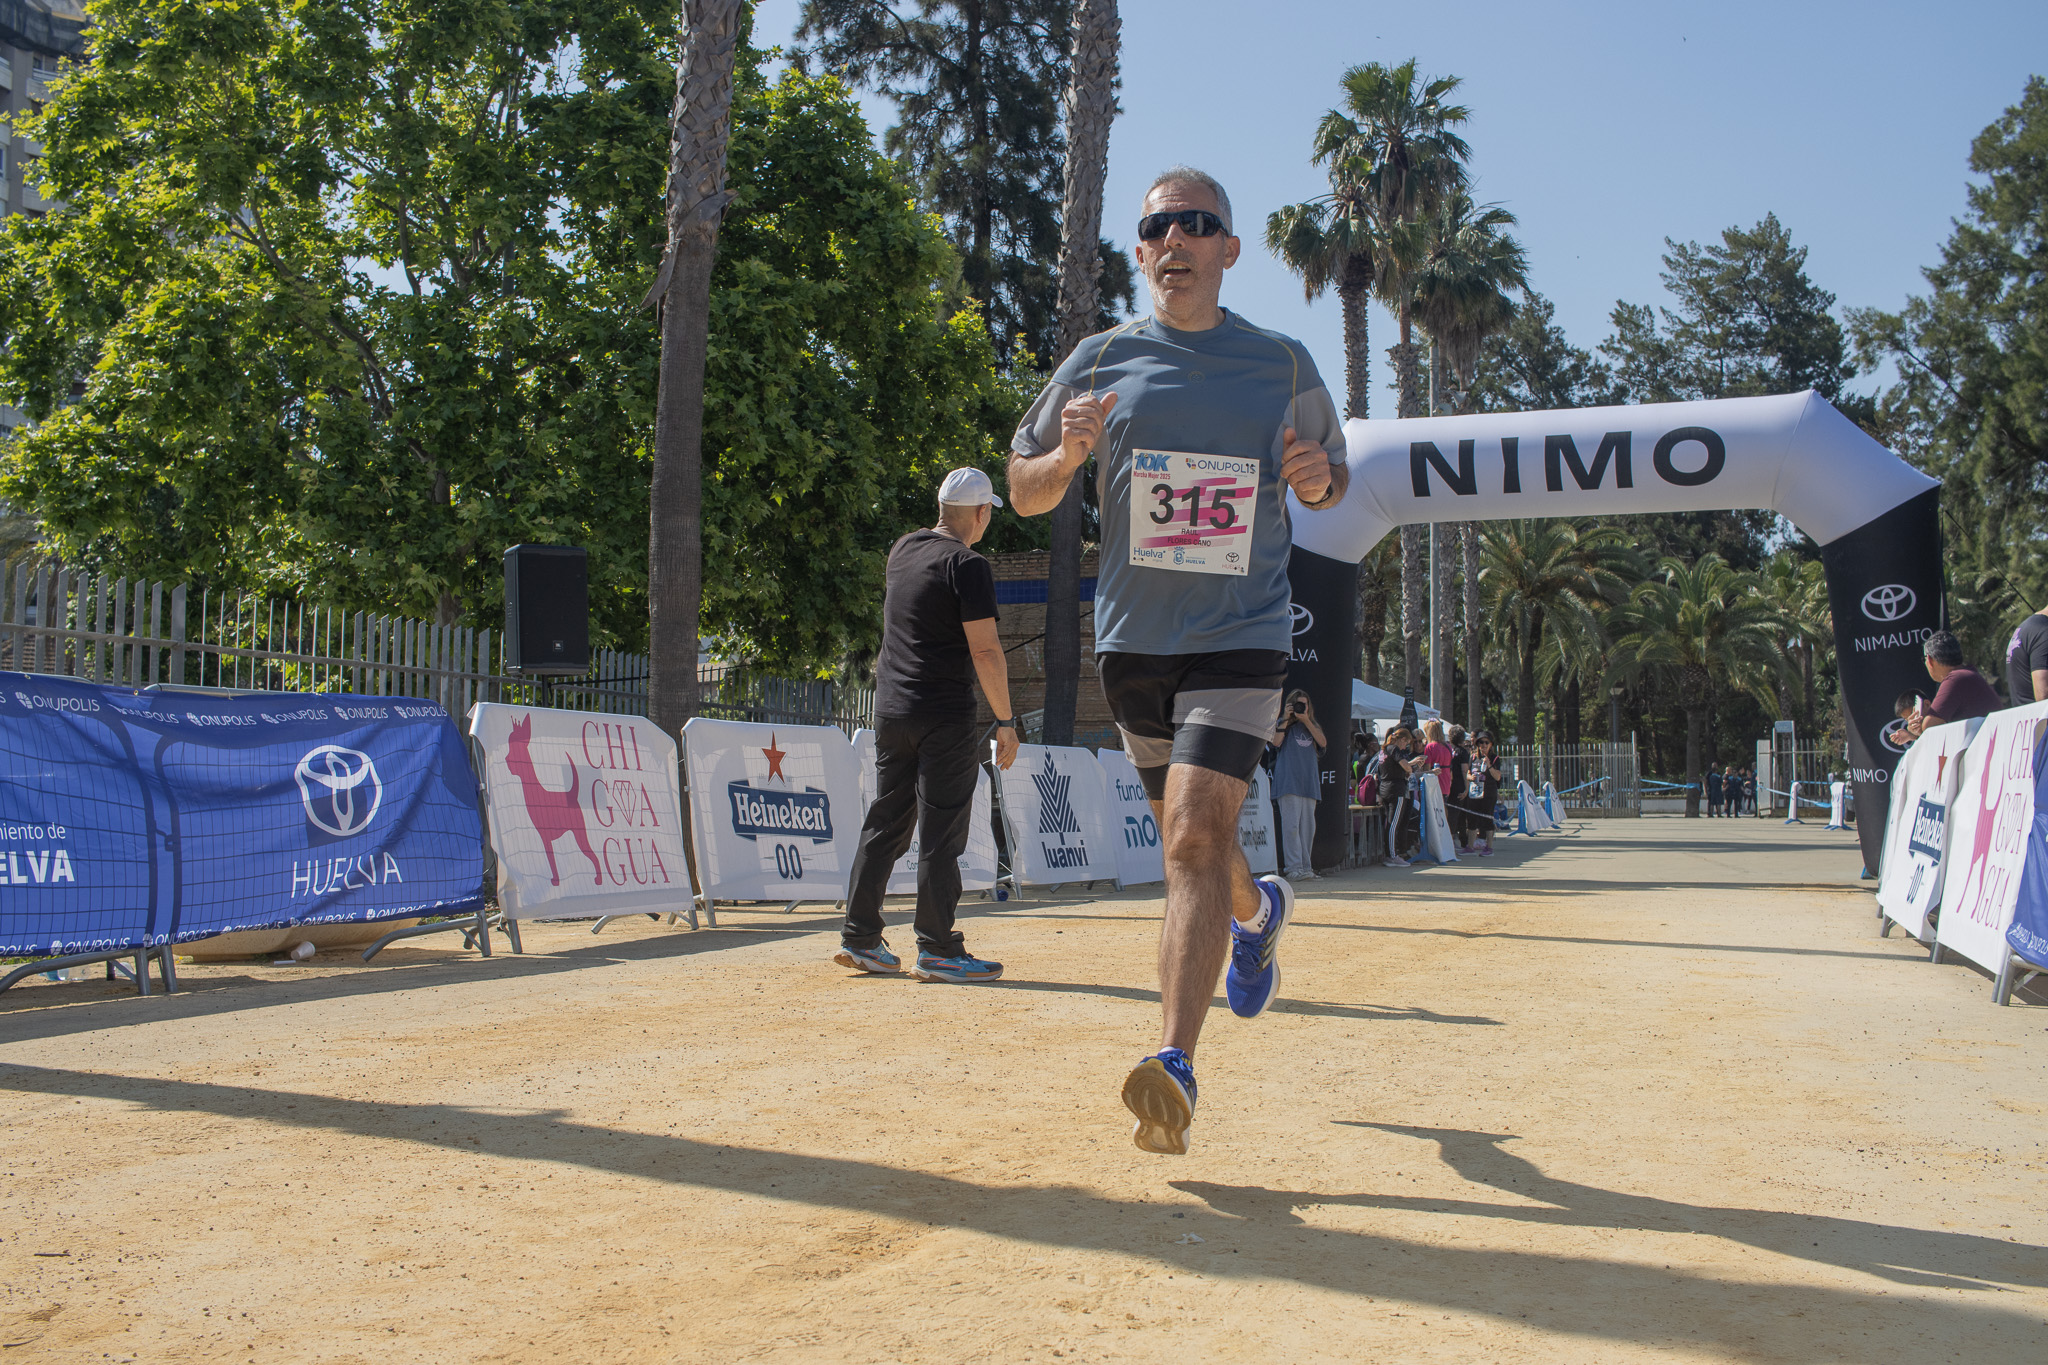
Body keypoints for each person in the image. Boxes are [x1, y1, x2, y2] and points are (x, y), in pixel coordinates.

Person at [1007, 165, 1348, 1155]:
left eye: (1196, 225)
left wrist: (1316, 478)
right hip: (1133, 644)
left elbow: (1332, 483)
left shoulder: (1279, 363)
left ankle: (1174, 1062)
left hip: (1242, 633)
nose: (1176, 240)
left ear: (1228, 250)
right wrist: (1065, 458)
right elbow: (1023, 490)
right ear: (1140, 249)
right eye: (1159, 226)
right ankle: (1257, 915)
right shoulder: (1100, 358)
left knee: (1194, 834)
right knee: (1195, 844)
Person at [836, 468, 1022, 984]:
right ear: (981, 514)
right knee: (942, 833)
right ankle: (938, 949)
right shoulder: (968, 564)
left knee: (886, 821)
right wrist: (1006, 721)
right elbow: (985, 650)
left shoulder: (902, 550)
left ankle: (860, 938)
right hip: (943, 711)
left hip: (892, 709)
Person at [1269, 690, 1327, 880]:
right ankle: (1293, 868)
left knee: (1308, 829)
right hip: (1288, 782)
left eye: (1304, 704)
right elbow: (1275, 742)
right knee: (1291, 827)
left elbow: (1322, 742)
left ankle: (1306, 867)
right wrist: (1286, 718)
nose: (1302, 708)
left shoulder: (1312, 725)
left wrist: (1306, 720)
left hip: (1309, 783)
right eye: (1298, 704)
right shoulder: (1282, 724)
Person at [1919, 630, 2002, 725]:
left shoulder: (1955, 678)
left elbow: (1929, 726)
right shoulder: (1967, 674)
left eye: (1924, 659)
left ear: (1929, 660)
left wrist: (1921, 720)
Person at [1377, 727, 1424, 866]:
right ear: (1402, 739)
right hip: (1396, 789)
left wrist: (1411, 764)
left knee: (1390, 822)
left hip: (1385, 787)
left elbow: (1396, 767)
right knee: (1393, 824)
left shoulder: (1384, 750)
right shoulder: (1394, 749)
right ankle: (1392, 855)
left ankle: (1390, 853)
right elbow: (1406, 767)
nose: (1405, 747)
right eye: (1406, 743)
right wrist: (1411, 765)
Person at [1468, 732, 1504, 855]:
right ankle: (1470, 846)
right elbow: (1467, 773)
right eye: (1481, 742)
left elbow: (1498, 777)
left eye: (1486, 742)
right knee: (1472, 819)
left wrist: (1489, 765)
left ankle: (1489, 847)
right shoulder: (1473, 757)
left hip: (1488, 793)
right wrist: (1470, 777)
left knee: (1487, 819)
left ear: (1491, 744)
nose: (1483, 745)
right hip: (1475, 792)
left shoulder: (1494, 758)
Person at [2006, 604, 2048, 706]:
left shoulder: (2029, 626)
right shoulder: (2044, 631)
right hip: (2038, 715)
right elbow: (2043, 696)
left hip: (2024, 714)